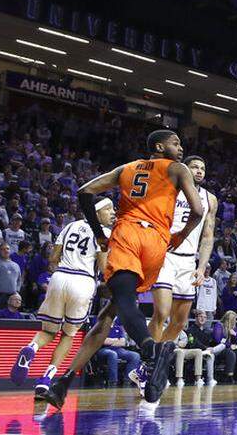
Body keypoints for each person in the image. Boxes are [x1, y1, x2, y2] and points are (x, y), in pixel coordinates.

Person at [43, 129, 204, 407]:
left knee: (125, 299)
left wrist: (99, 233)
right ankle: (63, 382)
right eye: (175, 143)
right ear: (158, 146)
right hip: (157, 242)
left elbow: (85, 192)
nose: (180, 147)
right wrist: (180, 235)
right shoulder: (178, 169)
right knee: (108, 314)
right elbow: (198, 211)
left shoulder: (126, 169)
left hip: (127, 235)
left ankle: (150, 351)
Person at [10, 199, 113, 395]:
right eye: (108, 209)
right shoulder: (103, 234)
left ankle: (31, 348)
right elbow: (102, 267)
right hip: (82, 281)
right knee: (68, 334)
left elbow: (52, 259)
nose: (113, 213)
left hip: (59, 277)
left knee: (48, 331)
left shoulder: (70, 226)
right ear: (96, 213)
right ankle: (46, 379)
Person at [147, 156, 217, 359]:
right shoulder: (170, 190)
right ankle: (149, 360)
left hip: (188, 261)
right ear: (184, 169)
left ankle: (157, 362)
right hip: (165, 256)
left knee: (179, 321)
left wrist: (201, 266)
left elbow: (207, 236)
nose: (199, 171)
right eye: (195, 167)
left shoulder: (210, 199)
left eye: (202, 168)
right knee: (161, 312)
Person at [95, 318, 142, 387]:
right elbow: (102, 341)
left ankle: (127, 380)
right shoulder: (100, 327)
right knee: (113, 354)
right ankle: (113, 381)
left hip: (118, 349)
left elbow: (123, 342)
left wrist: (110, 341)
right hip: (103, 349)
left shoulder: (118, 327)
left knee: (135, 355)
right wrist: (116, 340)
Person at [182, 309, 217, 385]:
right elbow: (193, 343)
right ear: (196, 318)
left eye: (204, 317)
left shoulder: (206, 331)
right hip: (192, 352)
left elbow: (208, 344)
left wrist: (209, 348)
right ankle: (198, 378)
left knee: (211, 354)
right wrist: (205, 348)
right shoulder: (191, 330)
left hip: (203, 352)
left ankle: (210, 379)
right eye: (200, 316)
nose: (202, 319)